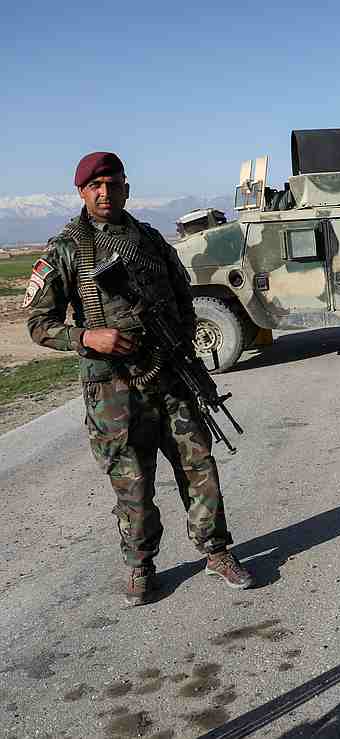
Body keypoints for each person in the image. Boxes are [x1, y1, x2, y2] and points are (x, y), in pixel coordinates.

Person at [25, 152, 254, 607]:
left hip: (170, 376)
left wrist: (180, 343)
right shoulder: (68, 249)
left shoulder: (149, 241)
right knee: (132, 482)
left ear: (126, 188)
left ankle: (216, 552)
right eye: (95, 186)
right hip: (112, 389)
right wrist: (88, 336)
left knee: (199, 467)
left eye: (112, 184)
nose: (104, 193)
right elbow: (37, 323)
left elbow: (182, 299)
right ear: (82, 192)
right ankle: (141, 565)